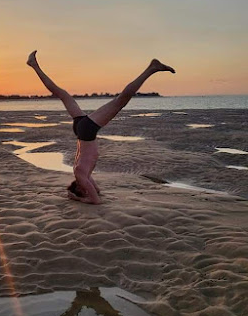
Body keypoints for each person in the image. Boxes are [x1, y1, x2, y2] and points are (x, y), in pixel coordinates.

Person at [27, 50, 175, 204]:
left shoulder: (80, 175)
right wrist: (80, 194)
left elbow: (96, 200)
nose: (85, 190)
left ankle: (151, 69)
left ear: (76, 186)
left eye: (81, 190)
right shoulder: (83, 175)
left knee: (121, 100)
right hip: (81, 130)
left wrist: (78, 198)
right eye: (84, 191)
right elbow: (96, 191)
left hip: (86, 131)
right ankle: (34, 65)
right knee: (61, 94)